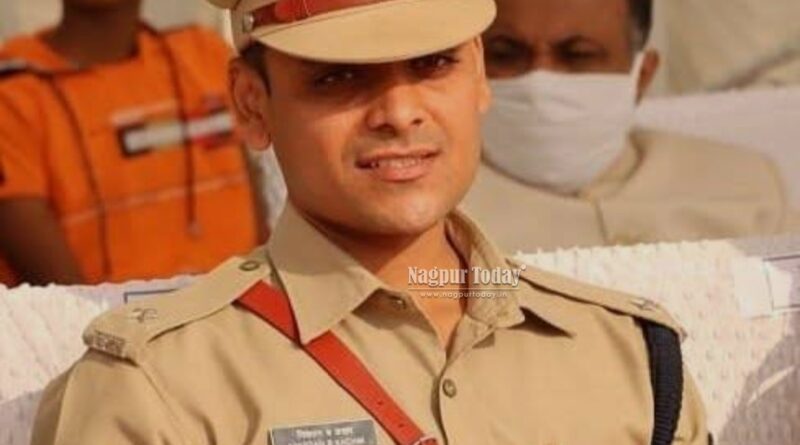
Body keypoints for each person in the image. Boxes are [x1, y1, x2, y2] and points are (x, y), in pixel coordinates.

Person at [30, 0, 708, 444]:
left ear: (479, 75)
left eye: (433, 63)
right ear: (251, 104)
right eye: (339, 78)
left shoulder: (629, 355)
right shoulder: (157, 389)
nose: (399, 112)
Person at [461, 0, 800, 252]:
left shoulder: (748, 186)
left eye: (578, 55)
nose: (539, 80)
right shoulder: (443, 213)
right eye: (505, 54)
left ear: (642, 77)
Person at [0, 0, 265, 286]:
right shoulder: (12, 94)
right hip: (100, 314)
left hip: (241, 306)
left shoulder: (206, 56)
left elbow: (263, 238)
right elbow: (63, 295)